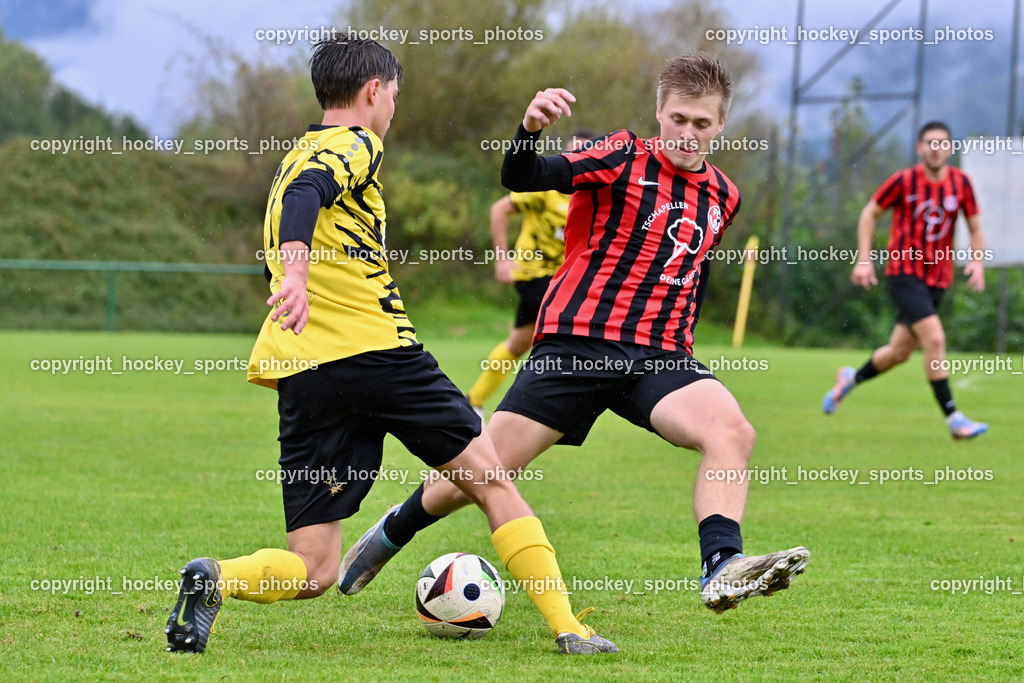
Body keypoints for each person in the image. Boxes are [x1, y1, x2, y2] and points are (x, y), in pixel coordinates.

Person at [164, 34, 615, 656]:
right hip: (379, 353)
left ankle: (216, 577)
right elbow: (309, 193)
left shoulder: (293, 154)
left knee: (315, 568)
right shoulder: (356, 143)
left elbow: (300, 192)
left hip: (305, 369)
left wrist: (293, 274)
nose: (394, 109)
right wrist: (296, 271)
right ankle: (571, 629)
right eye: (395, 95)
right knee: (494, 482)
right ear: (373, 91)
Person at [339, 52, 809, 615]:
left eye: (702, 123)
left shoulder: (724, 195)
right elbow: (523, 177)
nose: (688, 134)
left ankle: (722, 565)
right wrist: (529, 130)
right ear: (659, 112)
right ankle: (395, 528)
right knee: (488, 470)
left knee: (733, 430)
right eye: (678, 119)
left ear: (721, 124)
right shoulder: (620, 156)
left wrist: (685, 346)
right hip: (577, 343)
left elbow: (695, 269)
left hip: (659, 356)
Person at [822, 121, 988, 440]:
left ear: (950, 148)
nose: (936, 149)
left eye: (942, 143)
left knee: (899, 352)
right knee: (935, 339)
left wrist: (977, 261)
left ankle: (849, 380)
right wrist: (864, 258)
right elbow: (869, 213)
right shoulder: (904, 181)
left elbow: (975, 226)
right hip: (904, 272)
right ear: (919, 148)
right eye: (930, 143)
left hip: (938, 279)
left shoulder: (961, 183)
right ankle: (954, 418)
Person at [467, 131, 592, 418]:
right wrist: (502, 259)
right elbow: (499, 209)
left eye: (584, 154)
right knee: (567, 334)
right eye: (572, 153)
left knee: (518, 343)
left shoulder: (593, 196)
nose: (577, 159)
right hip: (532, 273)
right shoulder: (546, 189)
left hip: (561, 278)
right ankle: (537, 409)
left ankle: (473, 402)